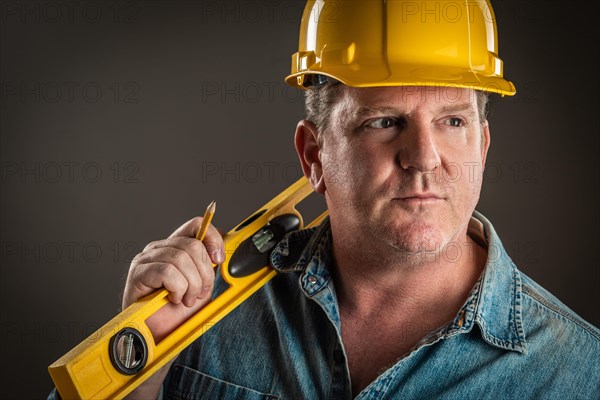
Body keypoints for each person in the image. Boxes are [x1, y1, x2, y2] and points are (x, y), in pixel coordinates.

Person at [48, 0, 600, 399]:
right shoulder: (201, 315)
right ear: (314, 155)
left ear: (481, 143)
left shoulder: (578, 374)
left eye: (452, 121)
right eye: (385, 122)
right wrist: (134, 369)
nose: (424, 157)